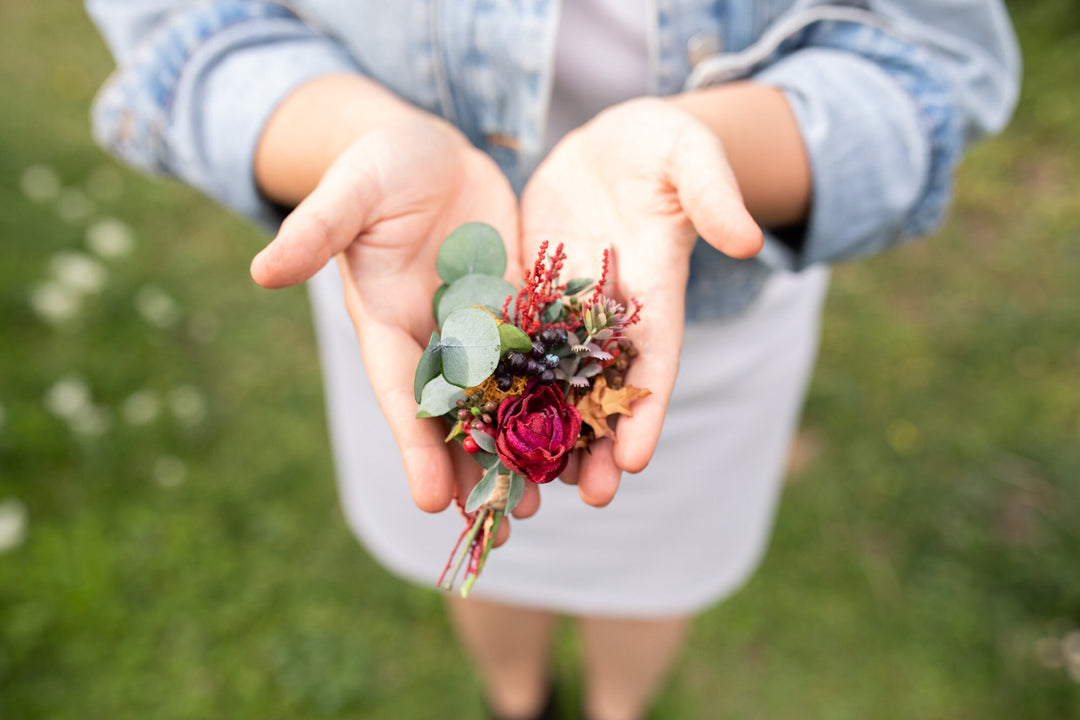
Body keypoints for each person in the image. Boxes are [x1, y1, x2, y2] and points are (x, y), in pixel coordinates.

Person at [85, 2, 1019, 718]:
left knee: (653, 576)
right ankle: (516, 700)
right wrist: (346, 138)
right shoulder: (448, 347)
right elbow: (181, 26)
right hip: (413, 288)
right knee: (475, 535)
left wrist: (712, 149)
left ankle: (618, 709)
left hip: (689, 322)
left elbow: (938, 59)